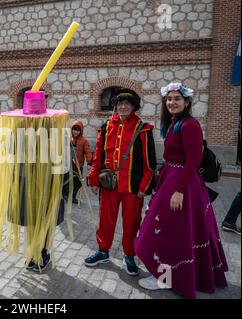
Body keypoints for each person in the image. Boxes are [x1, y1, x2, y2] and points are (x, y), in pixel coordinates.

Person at [135, 82, 228, 299]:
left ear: (186, 102)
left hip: (182, 186)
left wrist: (179, 191)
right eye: (169, 99)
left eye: (177, 98)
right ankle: (166, 274)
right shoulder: (175, 123)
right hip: (171, 180)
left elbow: (193, 160)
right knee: (167, 231)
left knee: (169, 233)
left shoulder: (190, 125)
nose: (172, 102)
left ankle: (164, 279)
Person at [85, 88, 157, 276]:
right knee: (105, 219)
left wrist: (144, 187)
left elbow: (150, 163)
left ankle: (129, 255)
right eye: (120, 104)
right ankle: (103, 251)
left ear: (133, 107)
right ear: (115, 106)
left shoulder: (143, 129)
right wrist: (93, 179)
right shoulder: (106, 126)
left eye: (127, 104)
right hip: (109, 184)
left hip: (132, 187)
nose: (123, 107)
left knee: (132, 222)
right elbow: (98, 157)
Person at [70, 120, 93, 204]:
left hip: (79, 165)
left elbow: (88, 152)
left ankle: (73, 195)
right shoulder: (69, 139)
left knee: (79, 182)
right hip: (69, 165)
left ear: (81, 131)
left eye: (78, 130)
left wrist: (89, 162)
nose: (75, 132)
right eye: (74, 129)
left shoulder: (84, 141)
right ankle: (67, 195)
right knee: (69, 181)